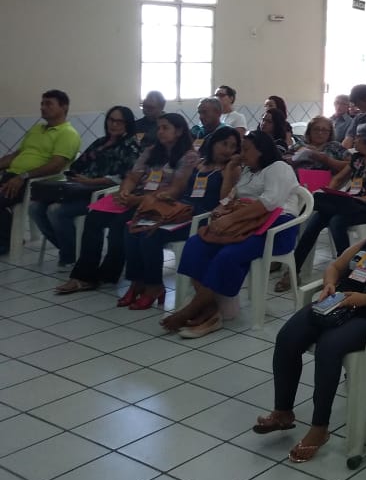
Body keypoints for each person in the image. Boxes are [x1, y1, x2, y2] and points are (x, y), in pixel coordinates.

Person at [255, 199, 366, 462]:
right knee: (287, 337)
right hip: (338, 304)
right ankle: (283, 412)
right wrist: (329, 284)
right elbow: (335, 266)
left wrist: (365, 299)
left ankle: (319, 427)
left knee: (329, 348)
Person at [163, 131, 302, 338]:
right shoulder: (247, 171)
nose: (240, 154)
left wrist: (230, 220)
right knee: (195, 244)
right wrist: (229, 173)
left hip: (276, 228)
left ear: (261, 151)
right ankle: (210, 310)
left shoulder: (279, 167)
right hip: (244, 224)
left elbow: (269, 203)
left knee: (229, 255)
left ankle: (193, 308)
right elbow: (228, 197)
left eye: (246, 149)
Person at [56, 113, 195, 292]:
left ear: (179, 131)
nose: (160, 132)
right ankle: (83, 275)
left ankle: (108, 274)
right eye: (158, 128)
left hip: (160, 203)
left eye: (165, 128)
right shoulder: (151, 151)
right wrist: (125, 192)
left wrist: (137, 200)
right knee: (93, 218)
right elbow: (133, 176)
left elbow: (176, 190)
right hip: (135, 198)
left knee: (120, 224)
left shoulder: (188, 156)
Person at [121, 125, 239, 310]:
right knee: (133, 230)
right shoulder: (199, 163)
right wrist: (167, 197)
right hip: (180, 209)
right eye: (224, 144)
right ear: (213, 143)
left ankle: (154, 286)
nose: (228, 150)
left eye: (233, 147)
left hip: (201, 217)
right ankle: (137, 282)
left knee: (150, 235)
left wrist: (229, 169)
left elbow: (225, 200)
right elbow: (184, 189)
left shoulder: (230, 170)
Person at [281, 123, 366, 290]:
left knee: (335, 220)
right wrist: (330, 190)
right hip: (349, 203)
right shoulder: (356, 158)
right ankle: (293, 272)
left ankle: (345, 269)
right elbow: (339, 178)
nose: (354, 140)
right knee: (317, 220)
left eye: (358, 137)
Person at [30, 106, 140, 266]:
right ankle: (72, 249)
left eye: (119, 121)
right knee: (34, 208)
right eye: (111, 120)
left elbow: (123, 177)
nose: (114, 124)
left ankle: (69, 255)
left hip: (101, 194)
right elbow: (77, 165)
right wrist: (75, 176)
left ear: (127, 124)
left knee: (55, 211)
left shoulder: (131, 147)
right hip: (78, 189)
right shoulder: (100, 142)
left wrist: (90, 182)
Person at [0, 89, 81, 255]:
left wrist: (23, 176)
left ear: (64, 107)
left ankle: (6, 241)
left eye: (49, 104)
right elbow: (16, 155)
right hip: (12, 175)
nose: (43, 107)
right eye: (42, 104)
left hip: (35, 182)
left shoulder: (68, 134)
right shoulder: (37, 129)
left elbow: (56, 166)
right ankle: (8, 234)